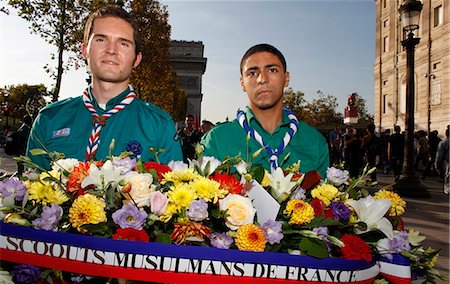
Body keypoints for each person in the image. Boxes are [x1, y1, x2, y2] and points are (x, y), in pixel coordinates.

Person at [27, 5, 182, 170]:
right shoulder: (49, 119)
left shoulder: (160, 126)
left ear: (136, 59)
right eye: (101, 39)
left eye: (123, 43)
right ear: (85, 51)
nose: (111, 50)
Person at [201, 44, 329, 177]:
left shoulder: (315, 141)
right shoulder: (216, 139)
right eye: (252, 73)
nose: (262, 79)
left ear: (286, 78)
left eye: (272, 70)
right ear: (242, 83)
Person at [435, 126, 449, 195]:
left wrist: (437, 163)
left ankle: (447, 190)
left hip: (447, 162)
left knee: (447, 176)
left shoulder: (444, 142)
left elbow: (439, 154)